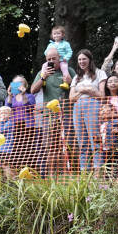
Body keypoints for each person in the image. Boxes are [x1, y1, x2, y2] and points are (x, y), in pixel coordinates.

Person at [31, 45, 75, 176]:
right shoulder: (42, 72)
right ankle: (51, 176)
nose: (51, 61)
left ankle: (65, 175)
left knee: (66, 146)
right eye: (49, 58)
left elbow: (77, 88)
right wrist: (43, 78)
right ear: (46, 59)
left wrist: (70, 81)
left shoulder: (69, 70)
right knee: (51, 147)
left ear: (59, 58)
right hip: (49, 116)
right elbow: (32, 90)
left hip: (66, 114)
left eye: (54, 58)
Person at [69, 49, 107, 171]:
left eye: (84, 59)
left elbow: (101, 95)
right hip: (78, 107)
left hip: (93, 105)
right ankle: (84, 172)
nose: (81, 61)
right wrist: (84, 90)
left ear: (89, 59)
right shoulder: (76, 77)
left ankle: (98, 171)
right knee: (82, 141)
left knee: (95, 138)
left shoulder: (100, 73)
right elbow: (71, 98)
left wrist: (87, 91)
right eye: (79, 59)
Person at [5, 75, 36, 168]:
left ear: (25, 85)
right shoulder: (10, 97)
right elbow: (7, 109)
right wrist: (10, 95)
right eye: (16, 83)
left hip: (28, 126)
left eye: (20, 83)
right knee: (16, 150)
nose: (18, 85)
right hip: (14, 127)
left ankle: (30, 170)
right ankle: (18, 170)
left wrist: (23, 95)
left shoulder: (30, 96)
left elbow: (30, 108)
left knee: (28, 149)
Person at [0, 106, 15, 172]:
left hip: (6, 149)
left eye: (5, 113)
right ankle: (1, 180)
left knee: (6, 165)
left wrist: (0, 122)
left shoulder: (9, 123)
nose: (3, 114)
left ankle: (9, 180)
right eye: (1, 113)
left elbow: (1, 130)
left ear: (10, 115)